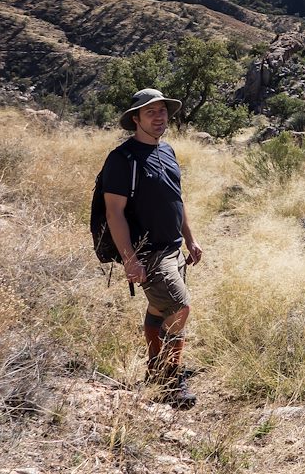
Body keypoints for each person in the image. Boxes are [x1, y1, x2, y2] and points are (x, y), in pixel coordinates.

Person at [102, 88, 202, 409]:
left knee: (160, 310)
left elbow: (176, 199)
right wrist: (130, 259)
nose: (159, 118)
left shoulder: (168, 150)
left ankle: (155, 371)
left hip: (173, 247)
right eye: (150, 112)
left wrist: (190, 238)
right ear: (135, 119)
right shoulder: (122, 159)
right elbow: (114, 212)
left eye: (162, 111)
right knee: (179, 308)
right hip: (149, 253)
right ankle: (171, 381)